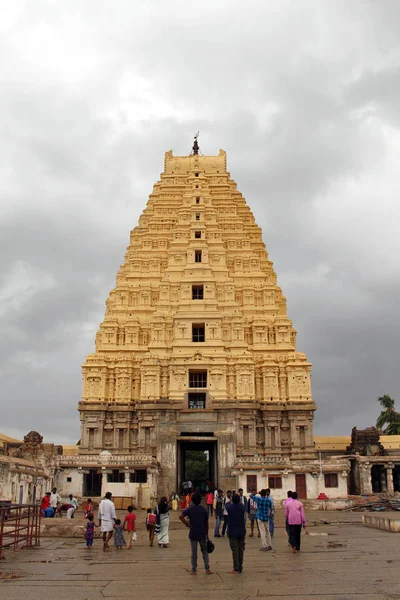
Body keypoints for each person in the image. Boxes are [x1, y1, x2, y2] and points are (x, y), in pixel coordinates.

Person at [179, 491, 213, 575]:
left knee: (194, 553)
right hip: (202, 533)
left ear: (192, 500)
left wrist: (187, 524)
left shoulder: (190, 509)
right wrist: (207, 534)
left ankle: (194, 570)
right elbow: (206, 523)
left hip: (193, 533)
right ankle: (207, 568)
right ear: (200, 500)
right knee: (204, 551)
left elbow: (181, 516)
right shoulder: (204, 510)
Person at [226, 493, 246, 574]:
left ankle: (236, 568)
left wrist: (230, 501)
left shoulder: (230, 507)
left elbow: (226, 504)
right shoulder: (242, 507)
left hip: (232, 531)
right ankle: (240, 566)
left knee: (235, 550)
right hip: (241, 531)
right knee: (241, 549)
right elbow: (242, 504)